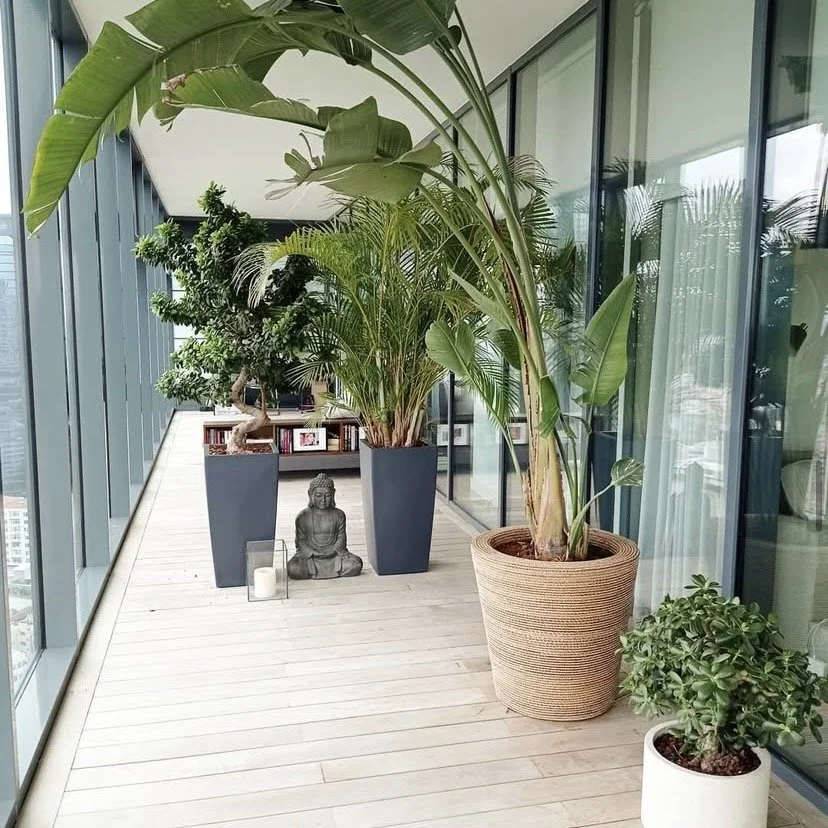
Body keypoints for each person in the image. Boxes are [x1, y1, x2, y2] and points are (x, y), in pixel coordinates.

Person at [288, 474, 363, 579]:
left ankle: (329, 571)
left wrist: (331, 551)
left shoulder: (339, 515)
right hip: (311, 558)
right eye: (318, 495)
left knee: (356, 564)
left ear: (333, 494)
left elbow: (341, 539)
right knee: (293, 569)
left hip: (334, 556)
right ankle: (317, 571)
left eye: (327, 495)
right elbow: (301, 542)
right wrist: (314, 552)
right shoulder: (303, 516)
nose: (323, 500)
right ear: (310, 494)